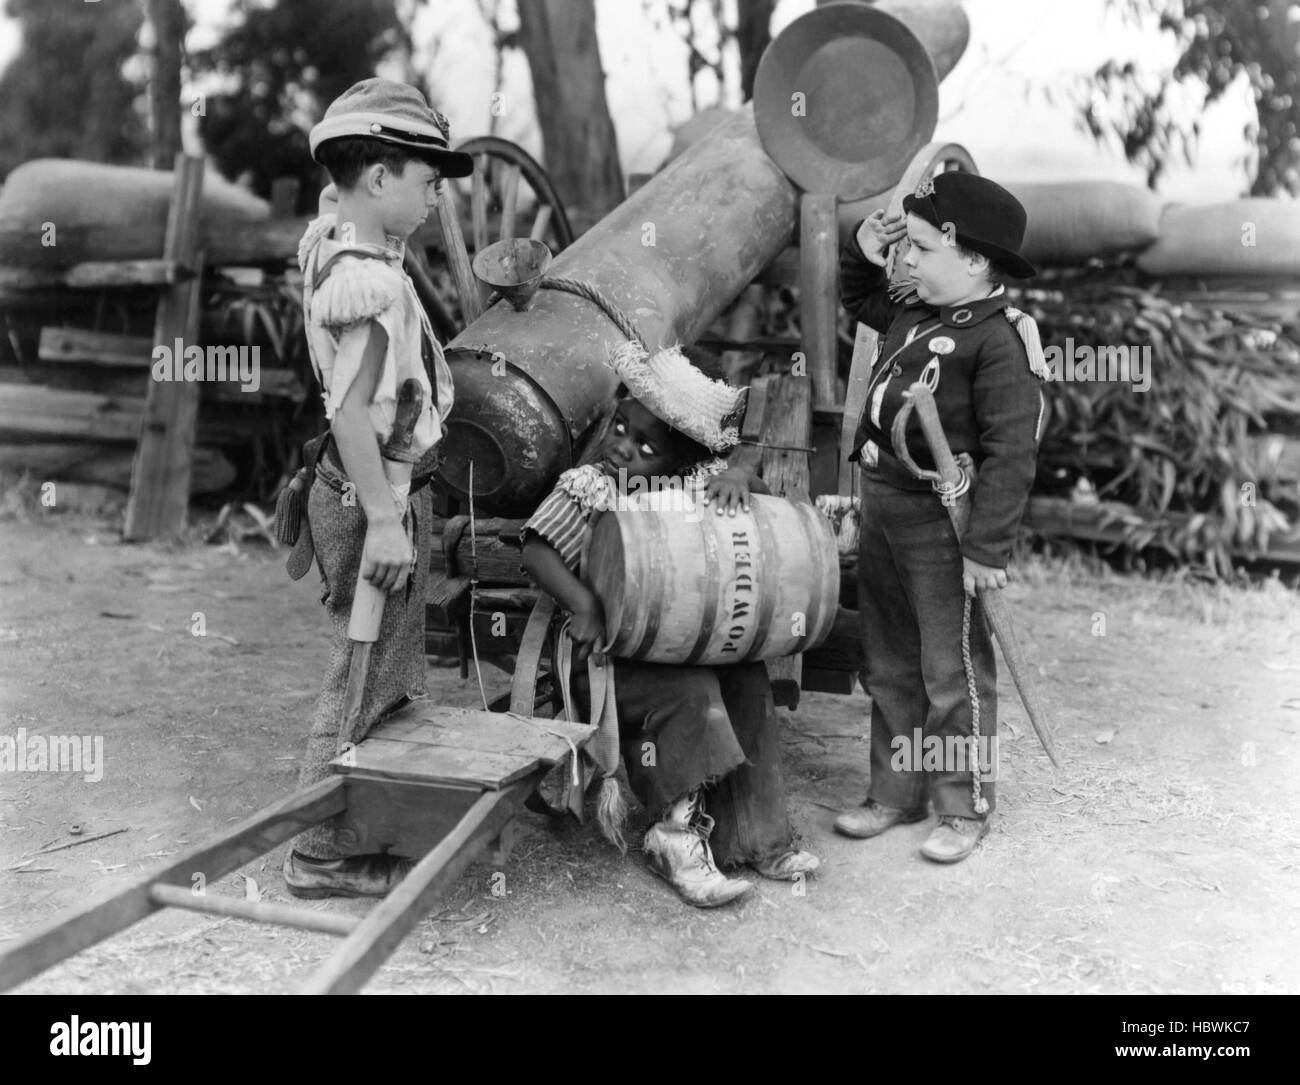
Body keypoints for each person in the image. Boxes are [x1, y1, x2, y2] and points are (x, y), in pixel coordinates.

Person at [520, 343, 820, 907]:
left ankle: (758, 836)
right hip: (607, 658)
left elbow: (752, 510)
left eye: (645, 447)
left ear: (681, 462)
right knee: (691, 693)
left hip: (677, 642)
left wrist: (740, 476)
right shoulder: (592, 486)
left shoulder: (693, 485)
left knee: (748, 680)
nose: (624, 450)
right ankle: (673, 838)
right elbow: (537, 549)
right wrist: (585, 604)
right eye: (620, 429)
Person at [280, 79, 473, 899]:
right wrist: (389, 523)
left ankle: (363, 824)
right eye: (426, 180)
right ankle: (320, 849)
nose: (435, 198)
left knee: (385, 666)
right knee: (361, 672)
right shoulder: (370, 284)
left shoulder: (343, 248)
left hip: (374, 485)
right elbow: (352, 413)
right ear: (378, 179)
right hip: (374, 491)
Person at [834, 172, 1047, 864]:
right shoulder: (916, 307)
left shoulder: (1001, 341)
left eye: (922, 248)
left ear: (976, 260)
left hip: (942, 524)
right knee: (887, 662)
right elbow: (863, 296)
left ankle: (963, 802)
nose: (910, 261)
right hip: (882, 506)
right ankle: (895, 791)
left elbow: (1013, 453)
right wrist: (862, 249)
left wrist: (988, 549)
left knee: (948, 669)